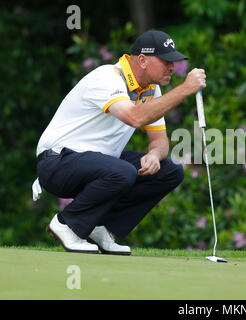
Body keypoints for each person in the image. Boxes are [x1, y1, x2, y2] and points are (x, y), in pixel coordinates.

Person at [33, 30, 206, 255]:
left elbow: (159, 140)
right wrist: (185, 89)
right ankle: (67, 223)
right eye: (165, 61)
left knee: (169, 171)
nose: (172, 67)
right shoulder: (107, 78)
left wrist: (154, 155)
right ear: (142, 60)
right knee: (123, 171)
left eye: (173, 61)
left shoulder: (151, 90)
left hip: (98, 164)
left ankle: (101, 228)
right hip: (57, 162)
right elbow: (135, 117)